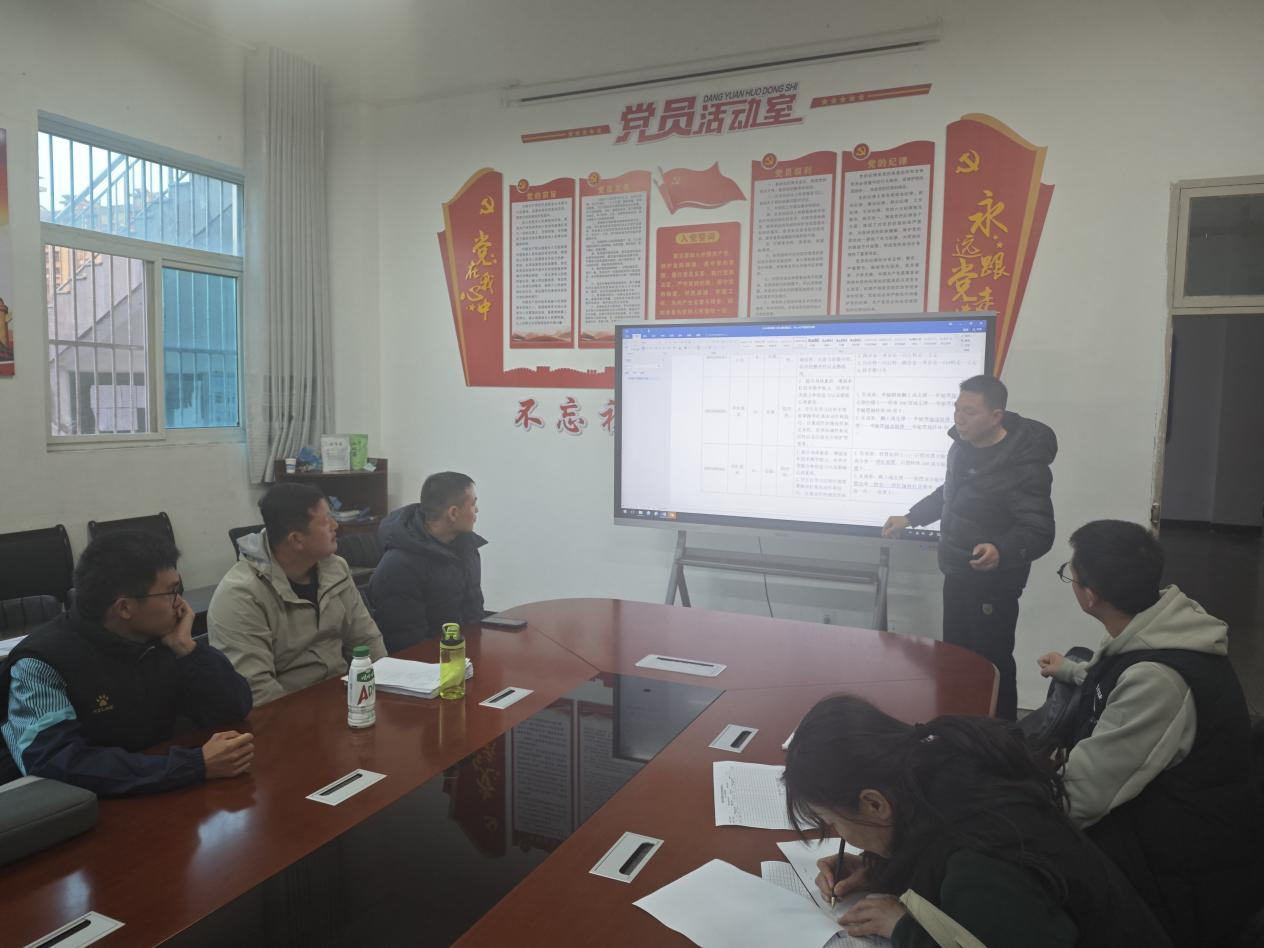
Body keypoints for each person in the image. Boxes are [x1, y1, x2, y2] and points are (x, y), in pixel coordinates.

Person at [783, 694, 1171, 948]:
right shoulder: (939, 771)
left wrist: (904, 930)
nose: (838, 834)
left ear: (874, 804)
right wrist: (880, 870)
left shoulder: (979, 866)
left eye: (831, 821)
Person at [1037, 519, 1263, 947]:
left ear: (1090, 595)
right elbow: (1118, 679)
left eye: (1071, 573)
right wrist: (1072, 671)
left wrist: (1004, 814)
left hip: (1186, 878)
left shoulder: (1158, 681)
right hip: (1181, 824)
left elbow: (1080, 797)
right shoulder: (1160, 623)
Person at [0, 530, 253, 796]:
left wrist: (187, 649)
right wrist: (192, 765)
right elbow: (56, 763)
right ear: (124, 608)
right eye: (171, 592)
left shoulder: (162, 639)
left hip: (158, 791)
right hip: (81, 808)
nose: (180, 604)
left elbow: (235, 709)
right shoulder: (41, 662)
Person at [882, 375, 1056, 721]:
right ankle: (959, 728)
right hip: (957, 569)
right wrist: (911, 517)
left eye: (969, 412)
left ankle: (1000, 734)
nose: (959, 419)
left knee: (992, 662)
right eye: (957, 409)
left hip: (994, 582)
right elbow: (950, 494)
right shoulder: (962, 447)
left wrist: (1001, 550)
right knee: (956, 655)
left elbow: (1039, 530)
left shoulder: (1023, 466)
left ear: (996, 416)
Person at [209, 482, 386, 705]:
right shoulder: (241, 595)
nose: (336, 525)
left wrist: (386, 691)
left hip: (343, 698)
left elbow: (366, 639)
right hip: (291, 712)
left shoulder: (335, 568)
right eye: (326, 521)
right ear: (296, 539)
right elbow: (258, 692)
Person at [367, 471, 485, 653]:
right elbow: (407, 644)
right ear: (453, 513)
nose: (476, 510)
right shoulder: (399, 566)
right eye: (473, 504)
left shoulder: (467, 548)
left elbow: (474, 615)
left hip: (464, 654)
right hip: (429, 663)